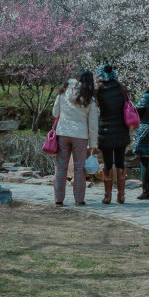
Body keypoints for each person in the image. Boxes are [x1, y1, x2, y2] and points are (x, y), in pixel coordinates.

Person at [52, 69, 99, 206]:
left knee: (60, 168)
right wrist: (93, 143)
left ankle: (58, 199)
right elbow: (93, 124)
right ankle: (79, 200)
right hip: (80, 136)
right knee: (79, 168)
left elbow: (55, 113)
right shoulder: (90, 98)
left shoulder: (63, 92)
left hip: (63, 133)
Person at [95, 64, 133, 204]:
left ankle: (107, 196)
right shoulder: (122, 89)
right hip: (121, 130)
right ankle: (121, 195)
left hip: (105, 131)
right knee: (120, 161)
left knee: (107, 163)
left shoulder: (98, 91)